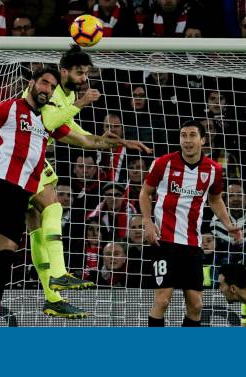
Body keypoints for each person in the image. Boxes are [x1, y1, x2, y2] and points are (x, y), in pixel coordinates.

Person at [0, 66, 146, 327]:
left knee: (4, 256)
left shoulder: (47, 120)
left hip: (21, 193)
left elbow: (86, 141)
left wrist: (118, 142)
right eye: (44, 83)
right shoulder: (7, 107)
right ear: (31, 83)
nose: (47, 90)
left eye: (52, 87)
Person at [26, 45, 150, 318]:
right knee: (53, 208)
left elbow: (82, 137)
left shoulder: (65, 97)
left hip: (28, 160)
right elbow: (49, 121)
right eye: (80, 73)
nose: (84, 79)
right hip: (21, 159)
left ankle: (52, 298)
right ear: (64, 71)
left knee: (35, 229)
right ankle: (58, 275)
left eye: (86, 73)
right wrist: (81, 103)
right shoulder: (51, 92)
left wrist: (120, 142)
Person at [140, 120, 242, 327]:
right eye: (183, 135)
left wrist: (228, 224)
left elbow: (215, 199)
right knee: (162, 300)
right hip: (163, 241)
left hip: (192, 244)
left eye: (192, 135)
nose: (187, 140)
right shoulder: (163, 163)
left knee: (196, 306)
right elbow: (145, 193)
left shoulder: (214, 170)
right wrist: (147, 221)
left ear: (202, 140)